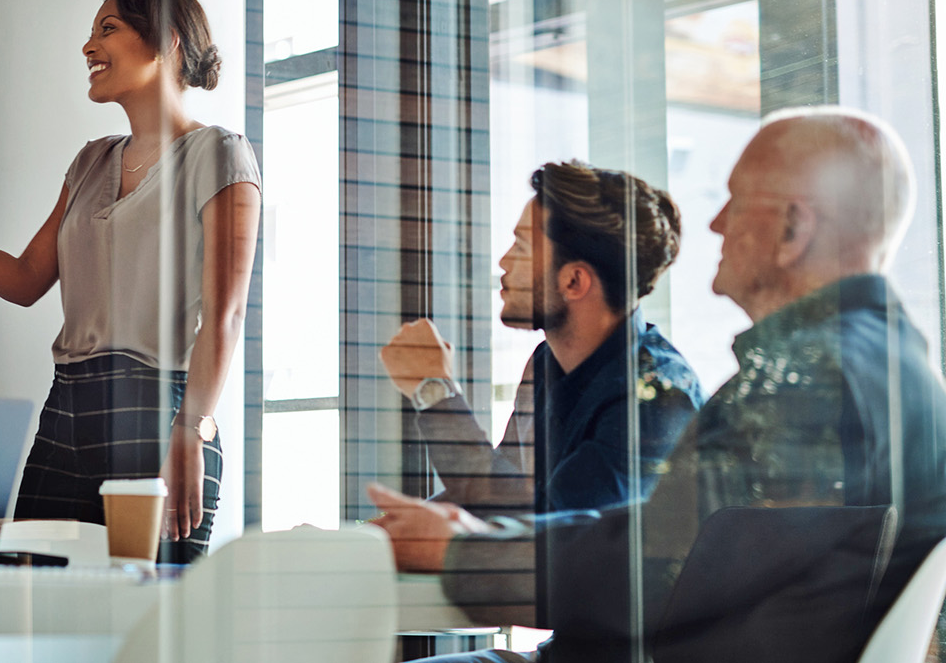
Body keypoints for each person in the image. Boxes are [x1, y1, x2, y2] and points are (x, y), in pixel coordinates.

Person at [370, 107, 946, 663]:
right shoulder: (883, 367)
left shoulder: (810, 379)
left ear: (795, 227)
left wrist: (461, 550)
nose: (716, 222)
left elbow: (651, 567)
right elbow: (664, 540)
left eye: (737, 200)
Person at [0, 0, 261, 561]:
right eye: (90, 32)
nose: (89, 46)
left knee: (146, 627)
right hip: (67, 410)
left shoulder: (220, 153)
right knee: (35, 611)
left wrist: (192, 430)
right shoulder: (89, 161)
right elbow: (26, 278)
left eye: (107, 29)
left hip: (163, 413)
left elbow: (226, 313)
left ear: (170, 44)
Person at [380, 162, 704, 519]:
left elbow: (547, 532)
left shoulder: (656, 397)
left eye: (521, 247)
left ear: (573, 282)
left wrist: (435, 391)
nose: (504, 262)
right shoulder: (546, 363)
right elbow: (501, 490)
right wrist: (380, 532)